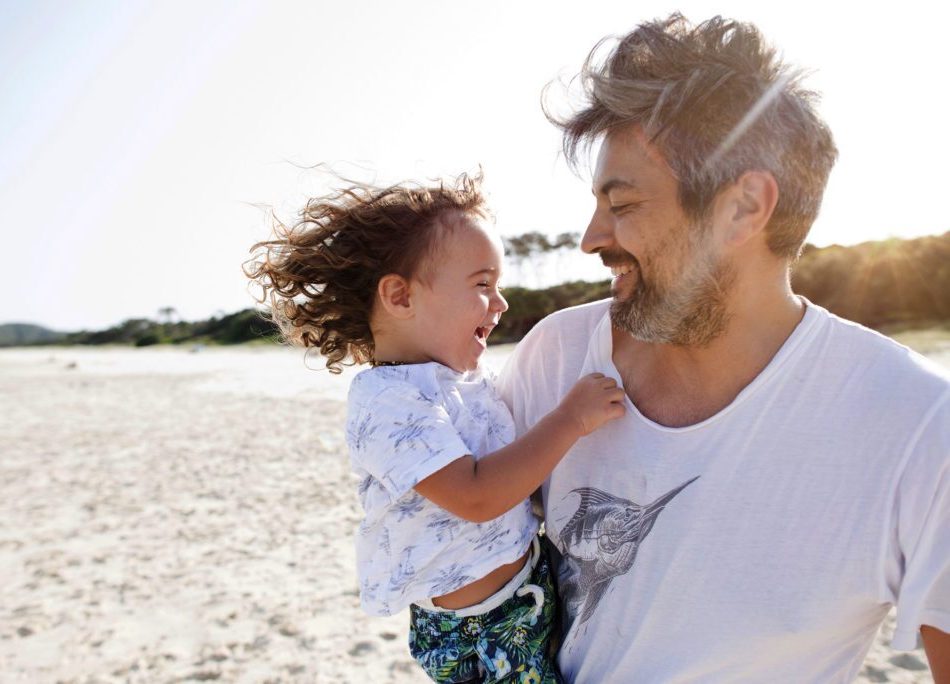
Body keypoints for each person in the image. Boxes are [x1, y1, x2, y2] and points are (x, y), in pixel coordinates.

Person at [496, 13, 950, 684]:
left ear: (742, 208)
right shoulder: (554, 358)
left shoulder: (917, 427)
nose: (592, 237)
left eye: (621, 203)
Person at [244, 175, 625, 683]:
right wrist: (570, 420)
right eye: (482, 284)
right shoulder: (388, 401)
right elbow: (474, 496)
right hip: (482, 633)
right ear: (400, 296)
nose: (501, 302)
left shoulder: (465, 383)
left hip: (530, 592)